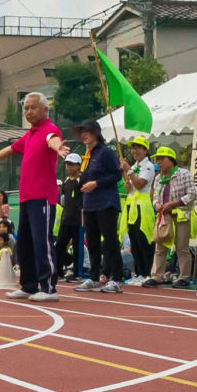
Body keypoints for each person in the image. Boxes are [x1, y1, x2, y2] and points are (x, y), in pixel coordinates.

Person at [0, 92, 70, 302]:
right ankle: (29, 285)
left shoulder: (49, 130)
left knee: (42, 242)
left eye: (33, 107)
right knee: (25, 243)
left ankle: (48, 288)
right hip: (26, 198)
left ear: (45, 110)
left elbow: (53, 141)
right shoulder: (30, 135)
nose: (28, 112)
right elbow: (11, 148)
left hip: (42, 198)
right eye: (26, 108)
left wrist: (60, 148)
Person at [73, 122, 124, 294]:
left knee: (109, 242)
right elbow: (85, 178)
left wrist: (97, 183)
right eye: (82, 132)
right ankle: (94, 277)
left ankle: (116, 278)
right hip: (89, 205)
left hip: (106, 203)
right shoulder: (87, 155)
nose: (84, 135)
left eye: (87, 131)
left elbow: (117, 174)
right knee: (93, 242)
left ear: (96, 133)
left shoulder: (106, 152)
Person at [144, 146, 196, 289]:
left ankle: (184, 277)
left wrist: (175, 203)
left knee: (182, 247)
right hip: (164, 217)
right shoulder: (158, 177)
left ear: (171, 160)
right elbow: (154, 197)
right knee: (160, 247)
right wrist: (157, 205)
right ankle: (156, 276)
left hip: (180, 215)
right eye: (157, 159)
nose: (159, 162)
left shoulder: (183, 174)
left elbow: (192, 194)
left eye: (162, 159)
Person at [120, 136, 156, 287]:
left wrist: (129, 172)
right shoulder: (134, 166)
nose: (135, 151)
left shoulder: (148, 166)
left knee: (143, 239)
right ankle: (139, 272)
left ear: (145, 150)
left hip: (143, 205)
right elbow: (129, 188)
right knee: (134, 239)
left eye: (138, 148)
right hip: (132, 205)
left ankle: (147, 273)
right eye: (133, 148)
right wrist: (126, 175)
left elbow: (140, 185)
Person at [54, 153, 83, 280]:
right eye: (67, 164)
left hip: (78, 220)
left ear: (78, 166)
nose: (68, 167)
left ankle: (78, 273)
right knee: (59, 245)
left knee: (77, 247)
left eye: (71, 164)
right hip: (66, 220)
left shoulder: (81, 181)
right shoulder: (65, 182)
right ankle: (58, 271)